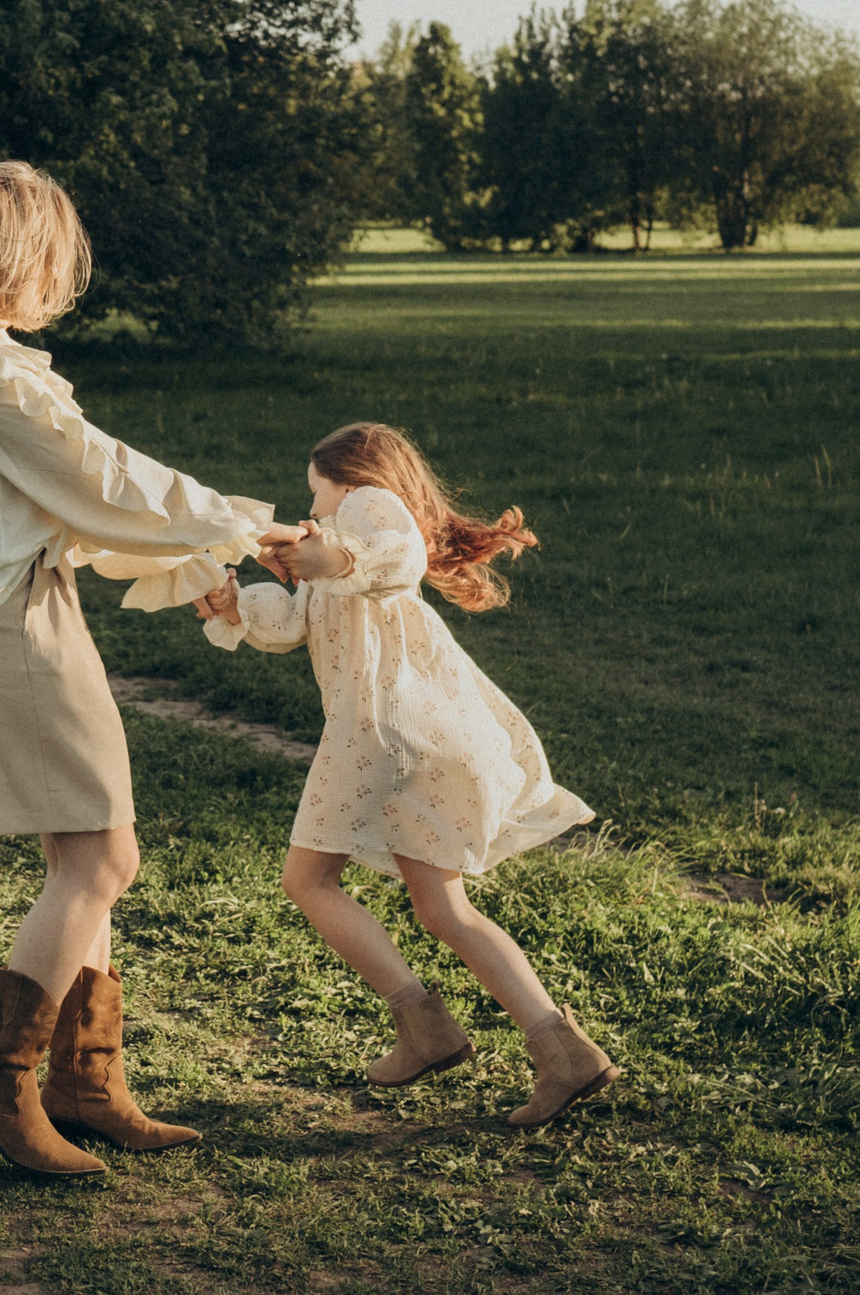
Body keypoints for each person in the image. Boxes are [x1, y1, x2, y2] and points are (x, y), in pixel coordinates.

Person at [0, 161, 285, 1177]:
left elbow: (70, 502)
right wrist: (248, 525)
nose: (59, 286)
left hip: (16, 613)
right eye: (51, 265)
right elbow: (99, 477)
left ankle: (82, 1086)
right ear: (4, 259)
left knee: (85, 858)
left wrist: (217, 543)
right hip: (10, 625)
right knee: (100, 861)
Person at [198, 421, 614, 1128]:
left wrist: (328, 548)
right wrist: (240, 605)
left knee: (307, 880)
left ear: (353, 479)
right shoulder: (342, 550)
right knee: (443, 909)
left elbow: (395, 553)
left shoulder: (367, 515)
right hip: (411, 738)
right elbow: (298, 622)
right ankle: (564, 1051)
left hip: (379, 736)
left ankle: (426, 1029)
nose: (313, 508)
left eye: (316, 492)